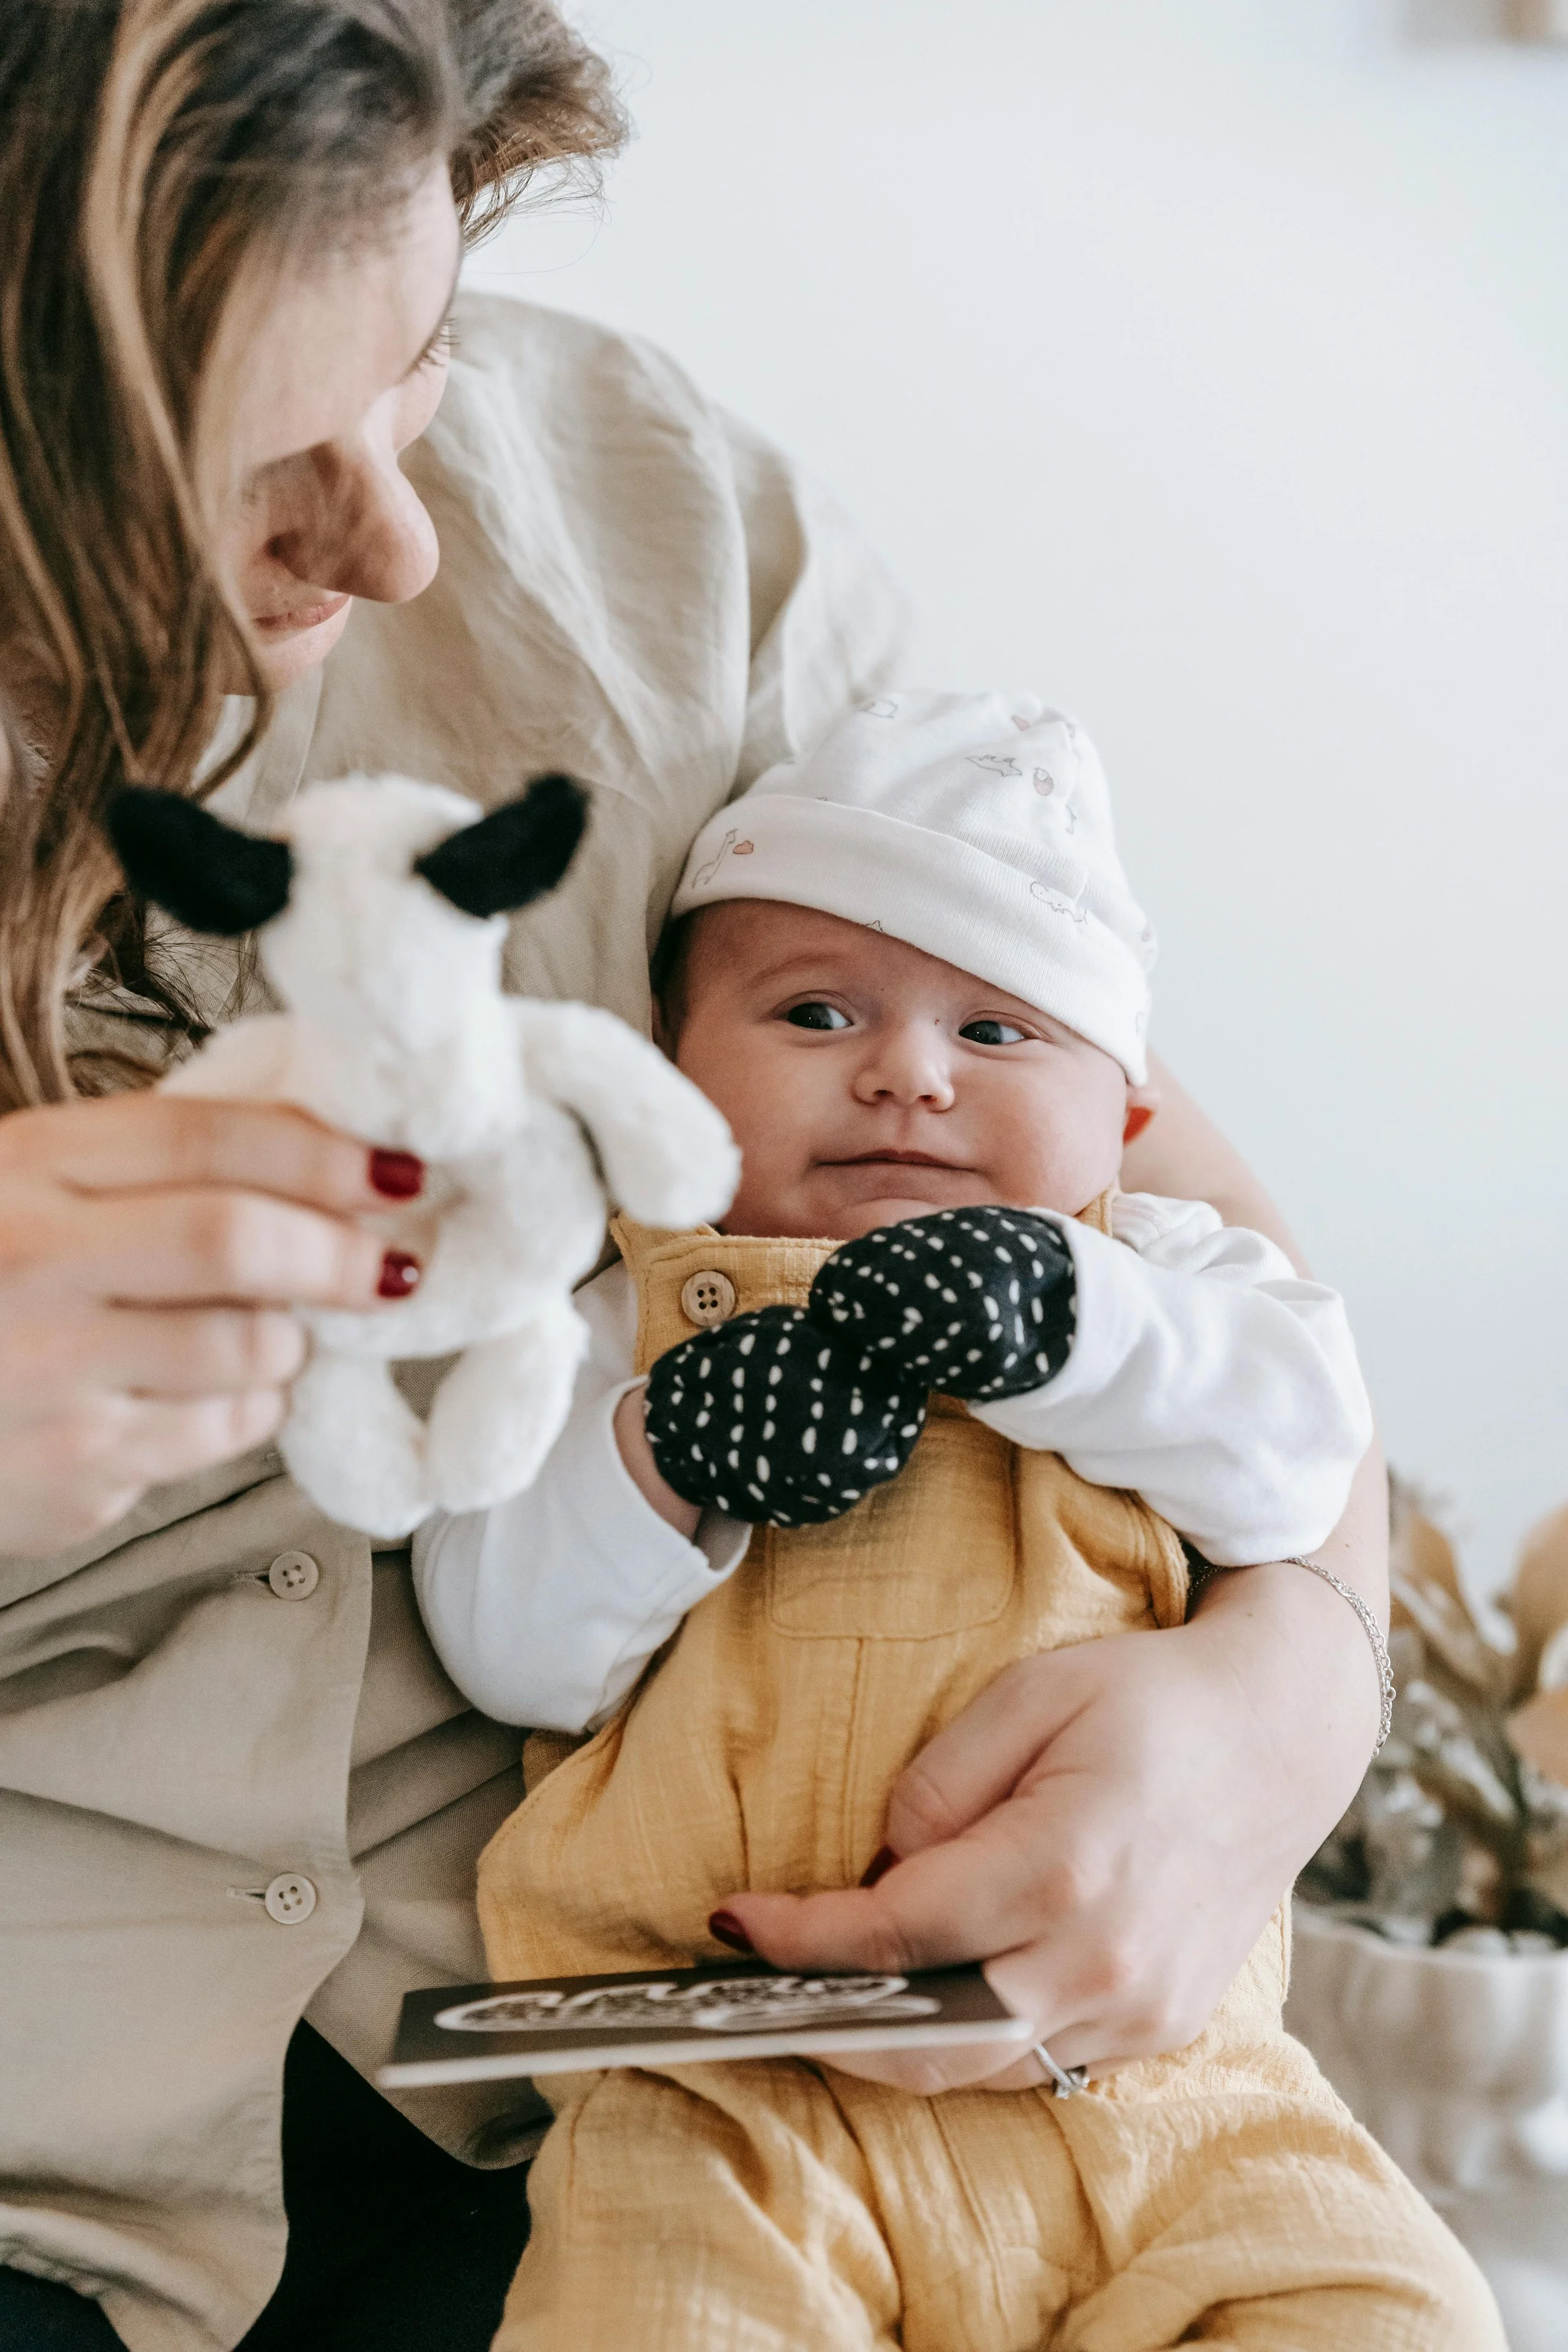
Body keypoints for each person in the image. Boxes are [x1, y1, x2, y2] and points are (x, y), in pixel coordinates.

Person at [0, 5, 1393, 2346]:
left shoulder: (654, 516)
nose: (392, 537)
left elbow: (1126, 1148)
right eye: (229, 464)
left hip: (701, 2043)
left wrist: (1289, 1698)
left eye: (420, 358)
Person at [418, 692, 1500, 2350]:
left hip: (1167, 2092)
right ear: (677, 1075)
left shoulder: (1175, 1284)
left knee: (1399, 2314)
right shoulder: (618, 1327)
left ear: (1126, 1123)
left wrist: (1071, 1320)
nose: (908, 1073)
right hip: (727, 2093)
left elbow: (1298, 1458)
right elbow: (503, 1645)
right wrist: (671, 1455)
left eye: (995, 1032)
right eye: (815, 1011)